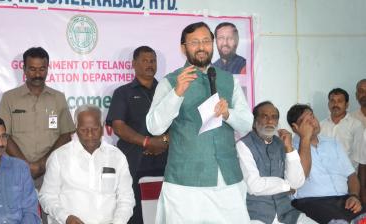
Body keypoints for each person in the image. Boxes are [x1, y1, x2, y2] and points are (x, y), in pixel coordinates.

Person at [146, 21, 253, 223]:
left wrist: (228, 113)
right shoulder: (170, 81)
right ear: (183, 48)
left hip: (228, 181)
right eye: (194, 42)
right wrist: (177, 93)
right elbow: (154, 126)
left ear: (213, 44)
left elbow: (247, 124)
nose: (201, 46)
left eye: (206, 41)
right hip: (185, 184)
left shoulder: (229, 80)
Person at [39, 104, 135, 224]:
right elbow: (47, 196)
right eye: (83, 130)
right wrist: (66, 217)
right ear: (76, 128)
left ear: (102, 127)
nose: (90, 135)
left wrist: (117, 222)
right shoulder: (59, 157)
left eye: (95, 129)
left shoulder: (117, 157)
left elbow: (126, 198)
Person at [106, 46, 168, 223]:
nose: (150, 64)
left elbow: (177, 123)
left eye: (153, 60)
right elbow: (118, 126)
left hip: (166, 160)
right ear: (133, 64)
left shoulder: (167, 91)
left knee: (165, 212)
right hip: (134, 162)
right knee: (134, 214)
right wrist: (147, 142)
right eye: (145, 60)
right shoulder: (122, 93)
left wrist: (163, 141)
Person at [0, 47, 75, 188]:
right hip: (16, 172)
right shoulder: (9, 98)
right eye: (32, 69)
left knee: (51, 210)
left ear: (47, 69)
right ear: (24, 69)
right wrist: (26, 165)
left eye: (42, 69)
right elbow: (4, 135)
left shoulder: (58, 98)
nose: (37, 74)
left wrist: (44, 163)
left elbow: (65, 135)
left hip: (51, 172)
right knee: (16, 210)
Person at [237, 101, 317, 224]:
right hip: (257, 216)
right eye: (265, 116)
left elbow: (297, 182)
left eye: (274, 117)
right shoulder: (243, 145)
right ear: (254, 122)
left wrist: (289, 149)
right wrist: (286, 186)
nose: (270, 121)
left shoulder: (281, 144)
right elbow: (254, 185)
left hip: (287, 214)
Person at [287, 104, 366, 224]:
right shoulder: (290, 149)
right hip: (311, 202)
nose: (313, 123)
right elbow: (301, 176)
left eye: (312, 117)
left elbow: (351, 175)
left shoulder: (333, 143)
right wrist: (305, 139)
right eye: (306, 122)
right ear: (295, 128)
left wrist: (354, 196)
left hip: (343, 200)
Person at [320, 88, 365, 168]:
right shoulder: (321, 125)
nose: (335, 104)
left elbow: (361, 158)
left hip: (348, 177)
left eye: (339, 101)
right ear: (328, 104)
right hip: (325, 176)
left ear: (347, 105)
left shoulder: (356, 125)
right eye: (332, 101)